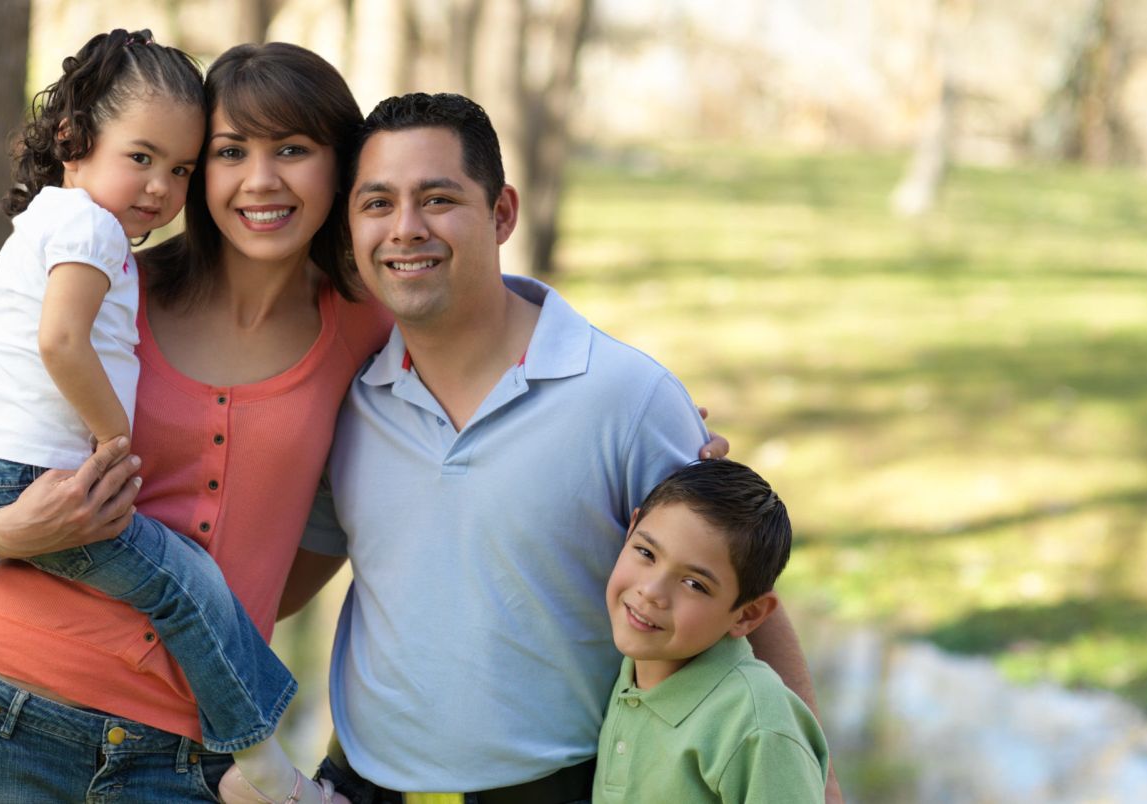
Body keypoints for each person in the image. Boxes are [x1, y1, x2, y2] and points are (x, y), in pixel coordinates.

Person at [296, 92, 830, 803]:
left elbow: (740, 589)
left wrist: (816, 783)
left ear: (502, 213)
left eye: (438, 199)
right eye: (377, 203)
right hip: (362, 783)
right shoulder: (349, 397)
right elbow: (283, 584)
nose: (406, 228)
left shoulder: (628, 398)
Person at [0, 41, 389, 803]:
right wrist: (10, 531)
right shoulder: (109, 293)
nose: (260, 180)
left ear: (340, 164)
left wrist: (255, 595)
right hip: (6, 714)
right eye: (230, 152)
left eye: (293, 149)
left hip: (189, 756)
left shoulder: (366, 325)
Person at [595, 459, 827, 803]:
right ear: (630, 532)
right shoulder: (633, 672)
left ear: (747, 615)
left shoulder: (758, 726)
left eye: (694, 584)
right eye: (646, 553)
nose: (651, 591)